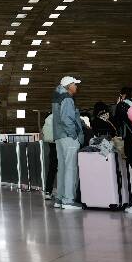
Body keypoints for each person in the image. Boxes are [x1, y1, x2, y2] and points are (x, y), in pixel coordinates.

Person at [51, 76, 84, 210]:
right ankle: (69, 200)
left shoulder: (57, 97)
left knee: (62, 168)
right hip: (68, 137)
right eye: (74, 84)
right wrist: (74, 135)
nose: (76, 87)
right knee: (71, 168)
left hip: (59, 137)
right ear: (68, 85)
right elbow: (67, 119)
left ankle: (59, 198)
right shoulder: (67, 98)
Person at [41, 111, 57, 199]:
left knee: (52, 170)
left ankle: (48, 191)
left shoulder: (48, 119)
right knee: (63, 170)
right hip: (60, 146)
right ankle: (63, 193)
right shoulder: (59, 117)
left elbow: (43, 135)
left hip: (51, 147)